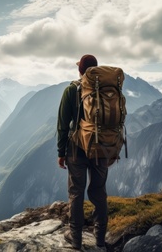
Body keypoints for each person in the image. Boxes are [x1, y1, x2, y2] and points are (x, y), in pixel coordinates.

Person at [57, 54, 108, 250]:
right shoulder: (107, 91)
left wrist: (61, 152)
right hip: (101, 149)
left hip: (76, 150)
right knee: (99, 192)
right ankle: (100, 238)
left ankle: (76, 238)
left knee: (76, 192)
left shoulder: (71, 90)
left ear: (80, 70)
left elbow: (62, 125)